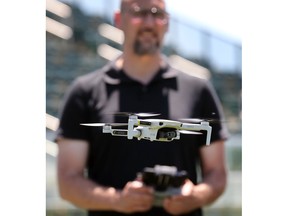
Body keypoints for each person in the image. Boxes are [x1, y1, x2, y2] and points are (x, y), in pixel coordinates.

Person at [55, 0, 229, 215]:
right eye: (139, 12)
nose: (149, 23)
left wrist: (195, 196)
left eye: (157, 14)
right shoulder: (84, 92)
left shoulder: (198, 90)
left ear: (167, 23)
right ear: (118, 19)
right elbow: (68, 182)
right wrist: (117, 200)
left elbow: (217, 174)